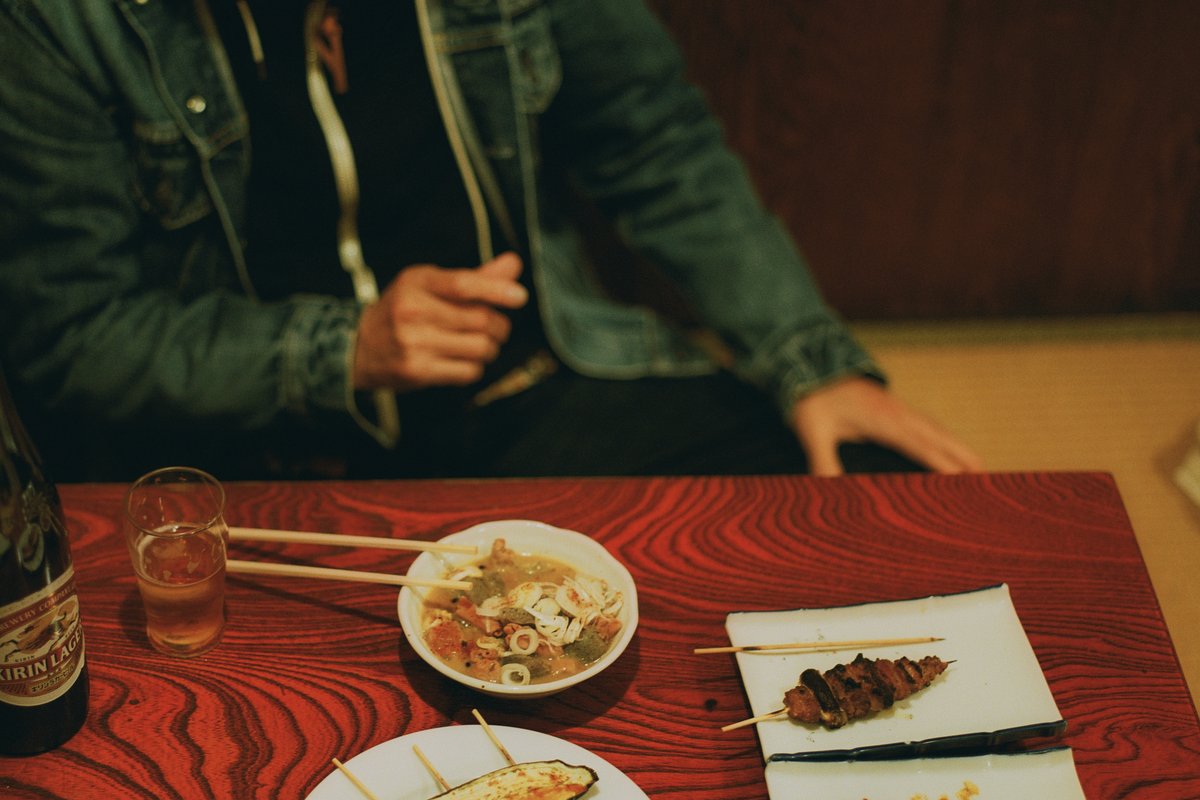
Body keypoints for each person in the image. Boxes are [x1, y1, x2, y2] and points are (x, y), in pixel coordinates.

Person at [0, 1, 980, 482]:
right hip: (263, 461)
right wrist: (342, 349)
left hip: (533, 392)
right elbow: (71, 333)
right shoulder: (63, 21)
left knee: (863, 489)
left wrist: (809, 359)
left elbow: (653, 135)